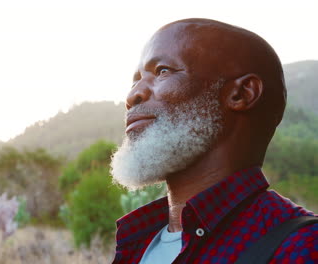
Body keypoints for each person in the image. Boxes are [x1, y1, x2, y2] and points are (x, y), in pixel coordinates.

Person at [110, 18, 317, 264]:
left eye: (162, 71)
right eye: (136, 79)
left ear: (241, 94)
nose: (133, 95)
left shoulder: (303, 247)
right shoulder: (137, 241)